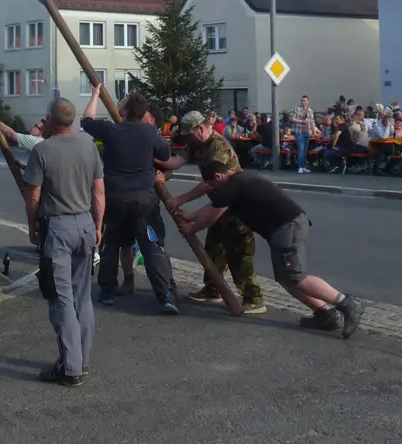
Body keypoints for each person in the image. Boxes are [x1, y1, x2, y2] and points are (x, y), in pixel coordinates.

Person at [173, 161, 363, 337]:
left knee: (296, 277)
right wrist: (189, 217)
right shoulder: (240, 181)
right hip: (285, 228)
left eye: (213, 186)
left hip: (287, 227)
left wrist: (190, 227)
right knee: (286, 278)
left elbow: (209, 217)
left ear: (219, 176)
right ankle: (325, 314)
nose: (214, 191)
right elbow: (212, 208)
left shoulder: (235, 184)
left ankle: (346, 303)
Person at [23, 97, 105, 386]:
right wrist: (97, 225)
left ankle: (70, 368)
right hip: (84, 223)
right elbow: (99, 192)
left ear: (50, 120)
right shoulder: (88, 146)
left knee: (62, 297)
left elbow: (33, 195)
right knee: (83, 296)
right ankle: (82, 358)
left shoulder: (42, 150)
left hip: (58, 226)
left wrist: (32, 226)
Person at [155, 111, 264, 314]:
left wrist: (179, 199)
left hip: (236, 204)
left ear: (200, 128)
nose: (188, 137)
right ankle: (213, 288)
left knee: (240, 251)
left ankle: (254, 298)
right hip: (219, 204)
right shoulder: (197, 143)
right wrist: (157, 163)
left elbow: (208, 184)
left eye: (190, 133)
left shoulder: (218, 146)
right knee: (214, 248)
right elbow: (177, 161)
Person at [81, 89, 176, 313]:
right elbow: (165, 156)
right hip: (144, 199)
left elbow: (86, 121)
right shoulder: (151, 134)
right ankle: (165, 296)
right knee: (151, 246)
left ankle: (107, 292)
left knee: (111, 245)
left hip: (115, 197)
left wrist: (95, 95)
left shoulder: (112, 130)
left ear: (124, 110)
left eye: (122, 102)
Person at [290, 96, 318, 173]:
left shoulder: (310, 110)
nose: (303, 102)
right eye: (302, 100)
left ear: (308, 101)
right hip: (299, 131)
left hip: (307, 131)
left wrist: (314, 131)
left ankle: (303, 166)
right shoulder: (296, 109)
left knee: (305, 150)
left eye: (305, 101)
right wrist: (301, 121)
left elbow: (312, 122)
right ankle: (300, 167)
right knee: (301, 149)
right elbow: (291, 118)